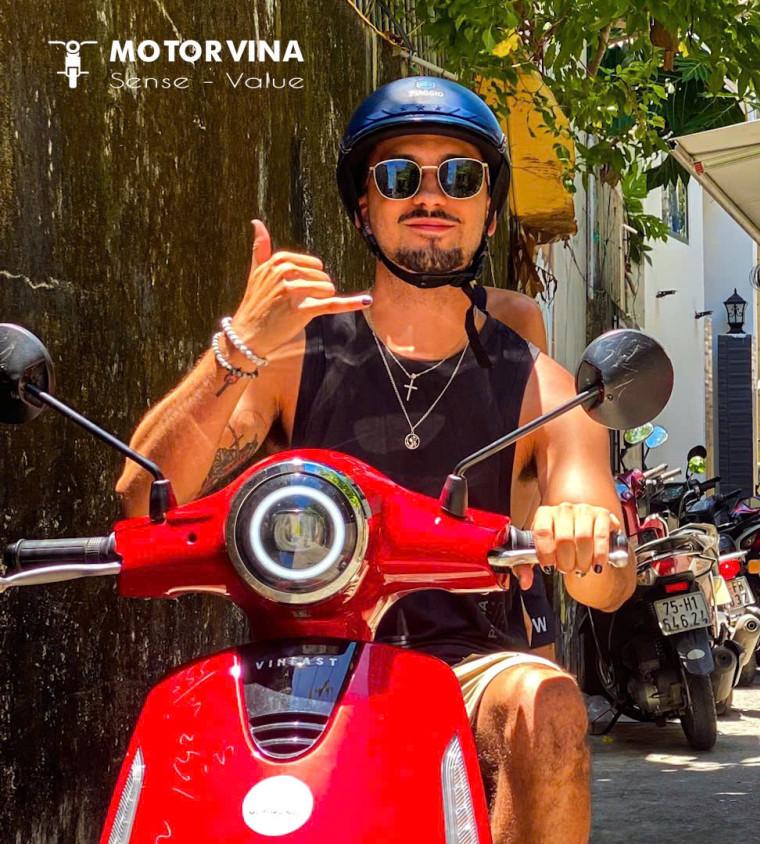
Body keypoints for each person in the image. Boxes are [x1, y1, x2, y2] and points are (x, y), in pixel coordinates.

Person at [115, 76, 632, 844]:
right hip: (295, 670)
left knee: (546, 708)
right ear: (365, 206)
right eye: (399, 177)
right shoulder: (291, 356)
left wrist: (584, 528)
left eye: (459, 177)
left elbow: (609, 583)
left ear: (488, 209)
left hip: (468, 671)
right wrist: (237, 346)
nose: (431, 196)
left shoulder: (543, 387)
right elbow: (144, 499)